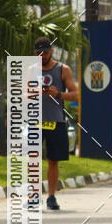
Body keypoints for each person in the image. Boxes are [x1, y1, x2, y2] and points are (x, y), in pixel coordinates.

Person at [35, 36, 79, 210]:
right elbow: (19, 95)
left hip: (55, 120)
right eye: (38, 52)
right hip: (34, 120)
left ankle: (51, 196)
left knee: (53, 160)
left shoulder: (63, 69)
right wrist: (32, 93)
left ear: (51, 51)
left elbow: (76, 95)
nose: (42, 55)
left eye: (45, 52)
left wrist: (59, 94)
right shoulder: (31, 70)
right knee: (32, 160)